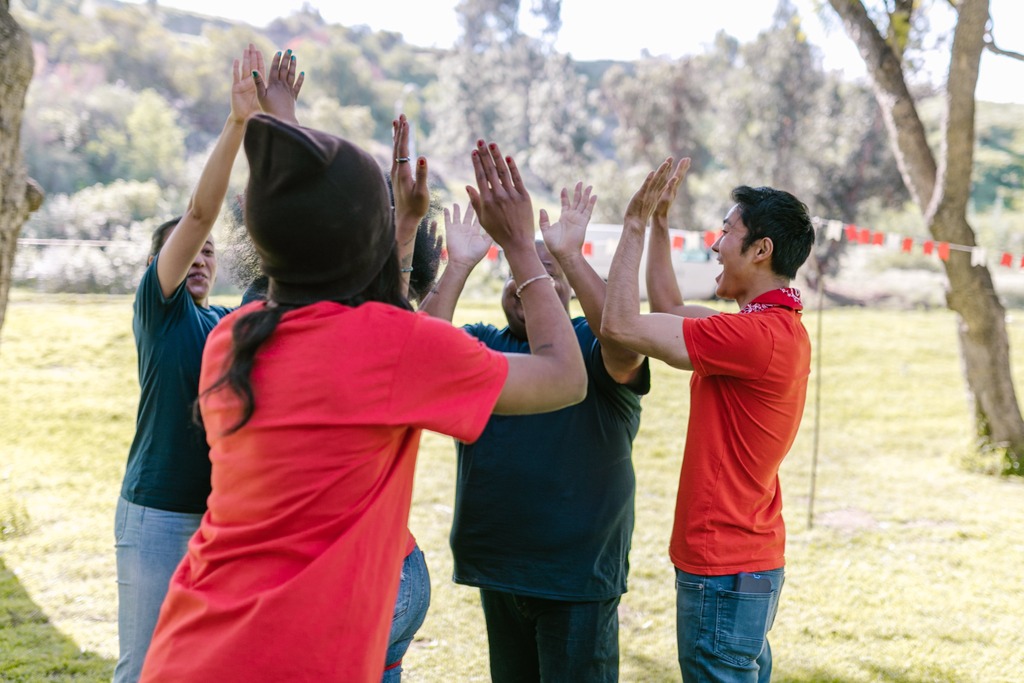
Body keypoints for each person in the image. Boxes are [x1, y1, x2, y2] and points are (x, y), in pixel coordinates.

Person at [137, 118, 587, 682]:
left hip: (192, 650)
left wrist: (399, 225)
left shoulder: (234, 336)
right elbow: (563, 375)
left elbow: (360, 307)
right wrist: (521, 246)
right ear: (363, 240)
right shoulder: (393, 349)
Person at [418, 182, 650, 681]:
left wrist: (564, 256)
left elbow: (626, 344)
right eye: (521, 276)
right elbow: (419, 358)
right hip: (498, 569)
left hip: (576, 576)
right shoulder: (481, 343)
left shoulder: (592, 342)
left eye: (548, 278)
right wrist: (457, 265)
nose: (530, 284)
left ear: (562, 294)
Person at [601, 158, 815, 682]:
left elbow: (622, 325)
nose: (716, 245)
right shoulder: (767, 330)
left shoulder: (754, 338)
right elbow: (669, 305)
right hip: (748, 560)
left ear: (761, 250)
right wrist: (657, 226)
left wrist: (630, 224)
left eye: (727, 233)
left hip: (723, 563)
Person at [113, 44, 284, 683]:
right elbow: (199, 213)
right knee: (144, 667)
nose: (202, 257)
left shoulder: (226, 324)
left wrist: (280, 127)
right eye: (191, 252)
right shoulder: (160, 310)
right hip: (157, 513)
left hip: (219, 518)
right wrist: (238, 124)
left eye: (212, 252)